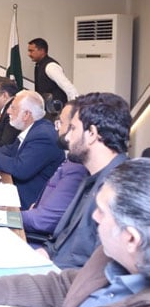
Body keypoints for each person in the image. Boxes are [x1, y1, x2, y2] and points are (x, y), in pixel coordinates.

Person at [0, 159, 150, 307]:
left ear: (131, 238)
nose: (94, 217)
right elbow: (64, 286)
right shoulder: (109, 256)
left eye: (102, 212)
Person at [38, 92, 131, 269]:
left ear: (92, 134)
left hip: (65, 284)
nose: (67, 137)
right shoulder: (91, 176)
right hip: (51, 266)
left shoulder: (119, 192)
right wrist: (44, 253)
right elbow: (62, 240)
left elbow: (96, 273)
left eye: (73, 128)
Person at [0, 90, 65, 209]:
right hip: (16, 191)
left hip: (28, 203)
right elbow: (10, 150)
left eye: (13, 108)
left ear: (26, 115)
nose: (8, 111)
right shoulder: (35, 129)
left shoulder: (43, 135)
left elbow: (21, 169)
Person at [21, 101, 87, 236]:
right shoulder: (72, 161)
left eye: (61, 123)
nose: (57, 129)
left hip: (38, 239)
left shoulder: (77, 168)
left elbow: (42, 221)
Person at [28, 38, 78, 105]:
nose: (29, 54)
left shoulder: (51, 66)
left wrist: (75, 108)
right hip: (47, 108)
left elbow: (68, 87)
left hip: (55, 109)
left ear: (42, 51)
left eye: (31, 51)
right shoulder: (39, 65)